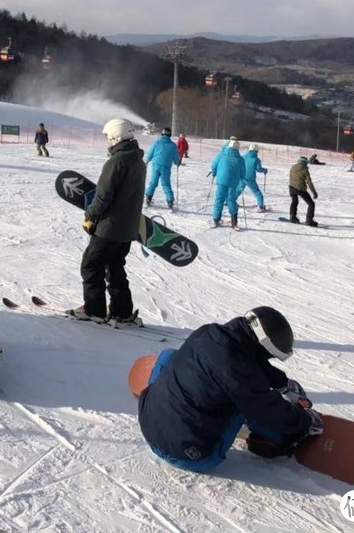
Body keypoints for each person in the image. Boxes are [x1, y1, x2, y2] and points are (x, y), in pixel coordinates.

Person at [136, 306, 323, 473]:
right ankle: (277, 438)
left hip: (147, 422)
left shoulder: (208, 332)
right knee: (247, 404)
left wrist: (282, 382)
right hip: (190, 455)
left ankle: (165, 396)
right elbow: (265, 405)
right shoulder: (240, 375)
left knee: (172, 356)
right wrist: (306, 421)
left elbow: (245, 360)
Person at [66, 118, 146, 326]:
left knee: (91, 265)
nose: (107, 142)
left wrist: (90, 217)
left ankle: (95, 310)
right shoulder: (138, 161)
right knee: (115, 266)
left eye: (107, 137)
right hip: (128, 229)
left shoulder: (116, 162)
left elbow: (103, 197)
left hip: (110, 228)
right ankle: (122, 311)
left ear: (115, 136)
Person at [211, 139, 244, 228]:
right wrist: (241, 178)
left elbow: (214, 164)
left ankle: (216, 219)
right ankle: (234, 221)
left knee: (219, 199)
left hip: (221, 180)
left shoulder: (221, 154)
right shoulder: (240, 159)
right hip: (233, 182)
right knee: (230, 200)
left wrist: (214, 171)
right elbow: (243, 172)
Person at [144, 127, 181, 209]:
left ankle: (148, 197)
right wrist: (177, 162)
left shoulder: (157, 142)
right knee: (166, 183)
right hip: (166, 167)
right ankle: (170, 200)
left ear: (162, 134)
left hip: (156, 165)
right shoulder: (172, 145)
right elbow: (176, 157)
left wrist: (148, 159)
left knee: (153, 182)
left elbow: (150, 152)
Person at [236, 144, 269, 212]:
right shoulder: (256, 159)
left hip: (242, 177)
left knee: (239, 189)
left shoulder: (243, 157)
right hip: (250, 179)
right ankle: (260, 206)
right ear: (256, 151)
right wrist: (265, 170)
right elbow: (259, 169)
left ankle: (230, 202)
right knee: (257, 192)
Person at [288, 156, 319, 226]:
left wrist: (292, 186)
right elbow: (309, 182)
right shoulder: (305, 169)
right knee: (311, 204)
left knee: (294, 201)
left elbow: (290, 177)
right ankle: (309, 220)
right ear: (305, 163)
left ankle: (292, 217)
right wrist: (314, 192)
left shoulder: (293, 167)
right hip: (300, 189)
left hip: (291, 188)